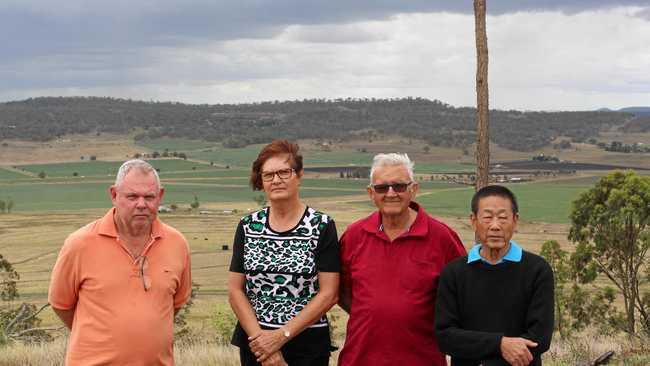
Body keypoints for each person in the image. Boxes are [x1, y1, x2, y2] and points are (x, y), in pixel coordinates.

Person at [48, 159, 192, 365]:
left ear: (160, 196)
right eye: (132, 196)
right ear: (114, 195)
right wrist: (102, 338)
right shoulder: (79, 244)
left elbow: (174, 304)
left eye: (149, 197)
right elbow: (61, 305)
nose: (141, 204)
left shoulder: (177, 244)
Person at [338, 153, 466, 366]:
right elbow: (341, 292)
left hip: (422, 360)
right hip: (359, 359)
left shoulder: (442, 237)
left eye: (399, 186)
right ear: (371, 193)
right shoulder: (354, 235)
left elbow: (462, 295)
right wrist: (377, 314)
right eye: (381, 188)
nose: (390, 193)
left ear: (413, 189)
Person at [228, 140, 340, 366]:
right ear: (261, 180)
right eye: (268, 175)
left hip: (307, 347)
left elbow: (330, 294)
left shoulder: (322, 226)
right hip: (256, 346)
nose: (276, 180)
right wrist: (264, 344)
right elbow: (235, 290)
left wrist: (280, 337)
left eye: (283, 172)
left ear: (299, 175)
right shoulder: (248, 225)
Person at [435, 185, 554, 366]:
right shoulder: (454, 273)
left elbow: (539, 339)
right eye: (488, 217)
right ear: (473, 221)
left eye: (503, 218)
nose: (495, 226)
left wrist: (480, 351)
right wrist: (500, 345)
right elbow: (446, 337)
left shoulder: (537, 270)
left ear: (515, 220)